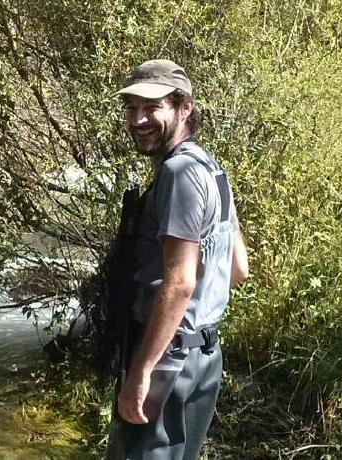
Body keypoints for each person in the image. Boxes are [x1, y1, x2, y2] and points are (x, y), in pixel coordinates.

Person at [105, 59, 249, 460]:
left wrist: (142, 369)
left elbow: (180, 282)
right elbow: (238, 268)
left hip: (167, 360)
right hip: (203, 355)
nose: (138, 119)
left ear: (185, 108)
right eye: (132, 108)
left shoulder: (178, 173)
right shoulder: (211, 168)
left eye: (153, 107)